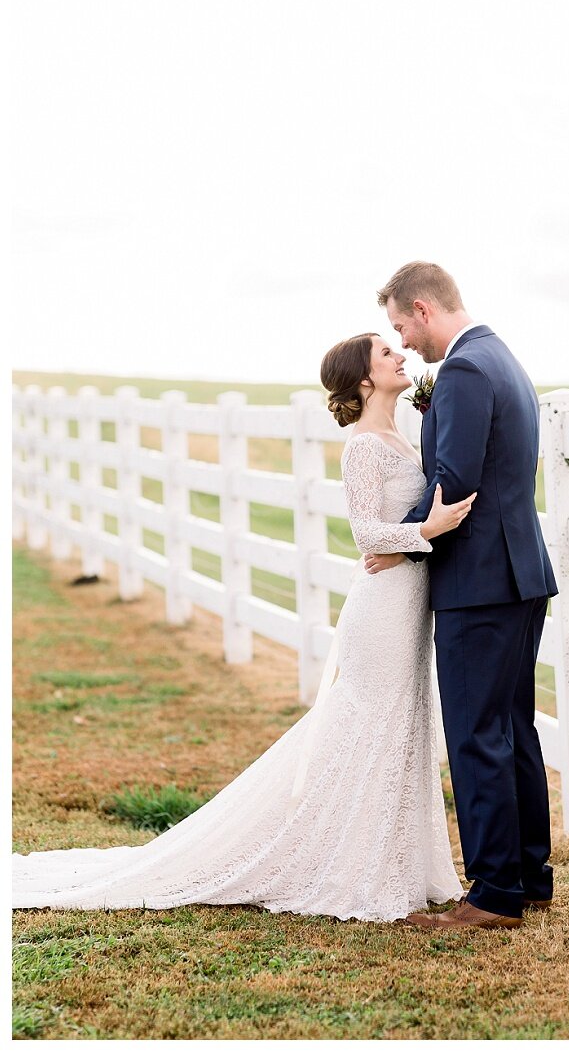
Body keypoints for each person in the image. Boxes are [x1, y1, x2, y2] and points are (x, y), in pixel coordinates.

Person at [12, 333, 475, 921]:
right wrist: (427, 531)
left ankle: (402, 867)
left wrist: (417, 535)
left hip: (410, 604)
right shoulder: (362, 447)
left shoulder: (400, 436)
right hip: (381, 609)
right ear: (364, 379)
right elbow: (365, 536)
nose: (400, 357)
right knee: (375, 730)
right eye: (387, 354)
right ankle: (357, 873)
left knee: (406, 729)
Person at [362, 261, 559, 932]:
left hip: (482, 581)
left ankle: (495, 894)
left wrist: (402, 538)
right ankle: (529, 875)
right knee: (511, 728)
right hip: (518, 576)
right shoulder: (498, 357)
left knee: (477, 733)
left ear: (422, 309)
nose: (405, 343)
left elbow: (456, 480)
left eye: (399, 328)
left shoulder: (468, 370)